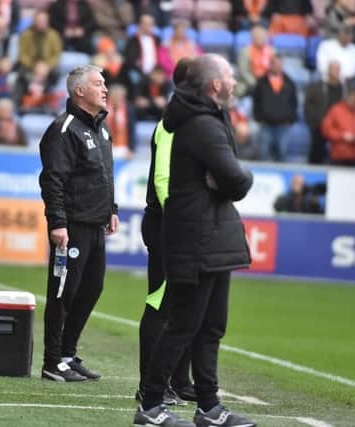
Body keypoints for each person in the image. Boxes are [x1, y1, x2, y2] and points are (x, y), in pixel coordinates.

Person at [134, 54, 255, 427]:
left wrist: (231, 179)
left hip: (214, 235)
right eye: (231, 76)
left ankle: (209, 406)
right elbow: (236, 180)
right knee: (184, 324)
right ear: (214, 85)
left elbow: (230, 178)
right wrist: (238, 177)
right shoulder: (201, 125)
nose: (235, 82)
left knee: (211, 326)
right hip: (197, 237)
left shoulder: (208, 119)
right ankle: (151, 404)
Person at [38, 65, 119, 382]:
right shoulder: (63, 129)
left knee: (90, 289)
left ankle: (68, 354)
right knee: (63, 292)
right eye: (98, 83)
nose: (105, 89)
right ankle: (51, 361)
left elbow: (105, 173)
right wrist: (58, 222)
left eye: (104, 83)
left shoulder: (102, 128)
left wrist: (111, 209)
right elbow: (53, 180)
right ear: (79, 91)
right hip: (71, 226)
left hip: (96, 223)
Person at [137, 58, 194, 409]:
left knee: (185, 303)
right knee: (161, 302)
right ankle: (150, 385)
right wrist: (181, 221)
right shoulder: (171, 124)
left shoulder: (186, 121)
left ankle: (178, 379)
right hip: (168, 225)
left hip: (178, 224)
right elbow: (163, 180)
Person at [252, 54, 297, 162]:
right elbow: (256, 101)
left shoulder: (290, 82)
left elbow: (294, 103)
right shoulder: (261, 82)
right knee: (263, 154)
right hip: (266, 125)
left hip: (283, 125)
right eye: (275, 64)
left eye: (279, 64)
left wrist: (290, 119)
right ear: (270, 65)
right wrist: (259, 118)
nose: (277, 67)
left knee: (282, 153)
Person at [321, 86, 355, 167]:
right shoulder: (336, 110)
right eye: (353, 99)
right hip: (338, 156)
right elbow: (326, 129)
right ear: (348, 97)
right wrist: (342, 135)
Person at [303, 60, 346, 165]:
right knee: (317, 153)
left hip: (337, 127)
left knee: (338, 154)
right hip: (319, 125)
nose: (336, 72)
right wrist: (315, 121)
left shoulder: (344, 88)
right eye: (333, 69)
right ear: (328, 70)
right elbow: (308, 105)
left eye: (337, 69)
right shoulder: (316, 87)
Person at [236, 24, 274, 96]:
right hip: (248, 84)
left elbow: (275, 70)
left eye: (262, 36)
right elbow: (243, 72)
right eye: (257, 36)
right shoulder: (245, 51)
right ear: (252, 37)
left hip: (267, 84)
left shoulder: (272, 51)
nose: (259, 38)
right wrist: (257, 83)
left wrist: (267, 83)